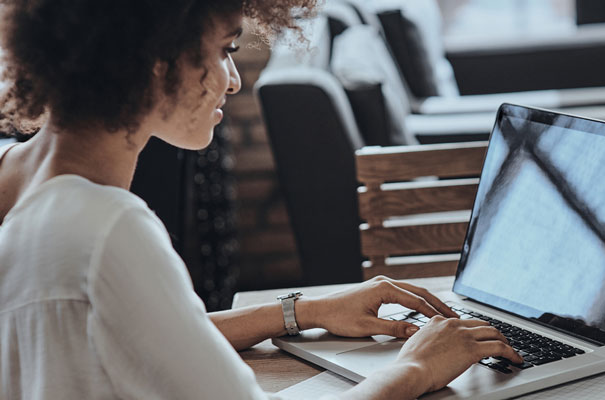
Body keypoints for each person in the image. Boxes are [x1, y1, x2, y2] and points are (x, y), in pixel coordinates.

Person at [0, 1, 521, 399]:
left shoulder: (18, 180)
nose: (234, 80)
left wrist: (302, 310)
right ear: (158, 60)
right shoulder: (110, 228)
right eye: (226, 49)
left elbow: (152, 332)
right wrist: (415, 368)